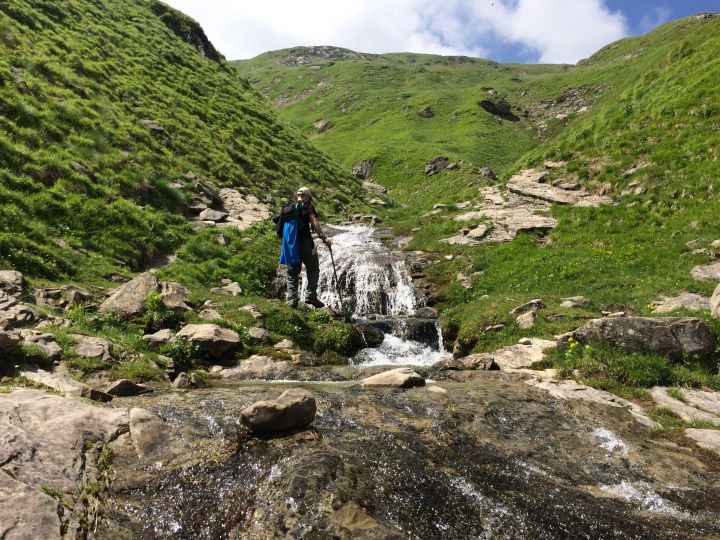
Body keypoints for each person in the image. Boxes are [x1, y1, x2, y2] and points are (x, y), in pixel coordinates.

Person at [284, 187, 332, 308]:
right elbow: (314, 221)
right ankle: (311, 295)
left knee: (292, 272)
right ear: (308, 196)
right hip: (305, 242)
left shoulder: (289, 207)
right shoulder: (308, 206)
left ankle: (292, 301)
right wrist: (323, 237)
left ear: (297, 195)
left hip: (290, 244)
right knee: (313, 268)